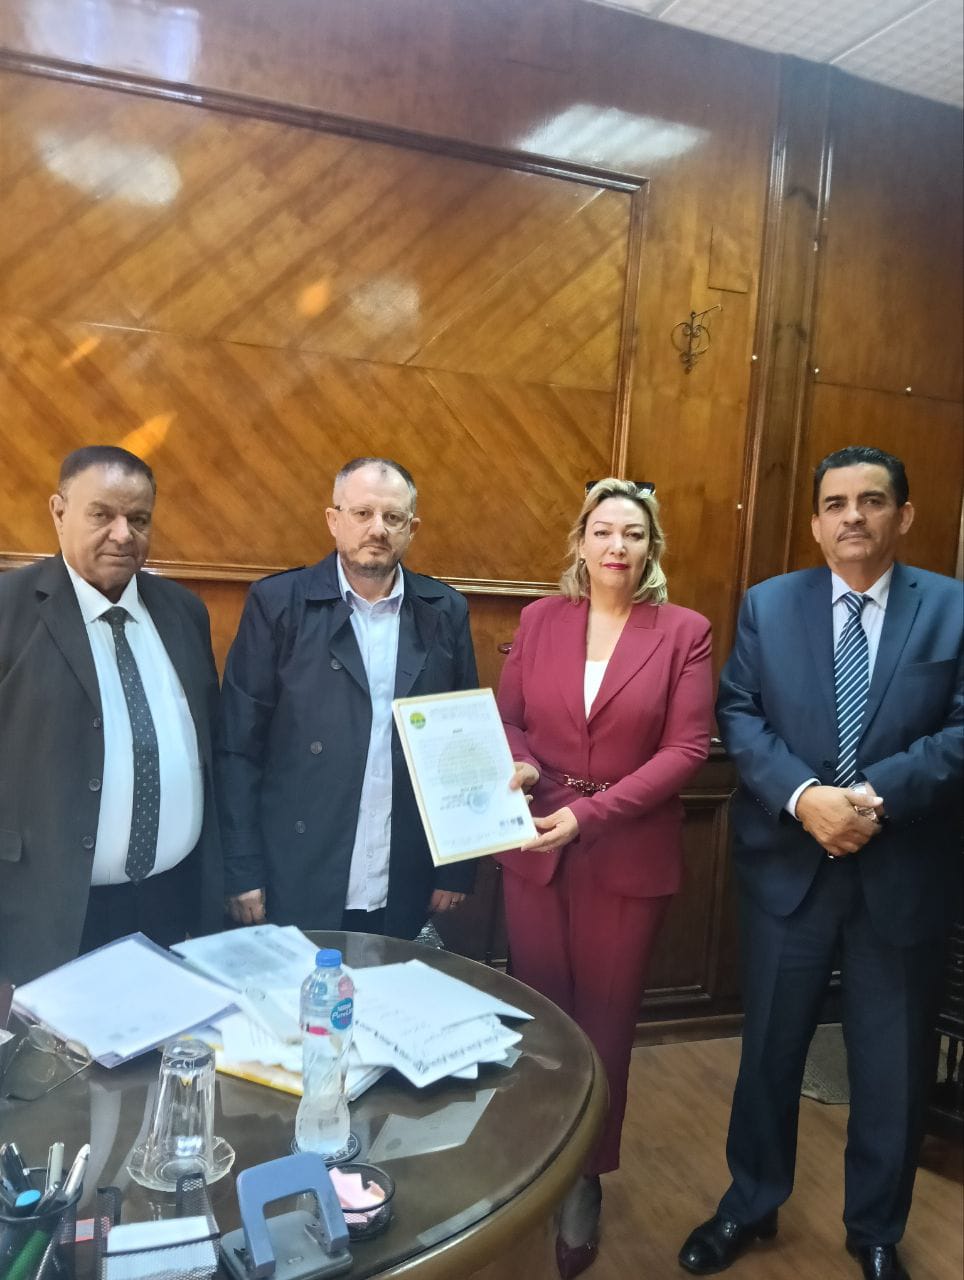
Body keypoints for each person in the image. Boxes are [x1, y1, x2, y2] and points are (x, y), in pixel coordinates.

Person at [679, 446, 963, 1280]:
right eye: (836, 503)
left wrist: (870, 797)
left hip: (900, 869)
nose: (853, 517)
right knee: (770, 1050)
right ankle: (750, 1203)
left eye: (872, 501)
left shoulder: (952, 607)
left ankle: (876, 1229)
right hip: (788, 868)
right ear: (814, 522)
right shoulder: (770, 604)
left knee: (892, 1065)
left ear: (904, 515)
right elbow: (739, 710)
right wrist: (806, 798)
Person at [497, 478, 714, 1279]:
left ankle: (585, 1178)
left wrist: (590, 815)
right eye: (603, 531)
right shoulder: (540, 620)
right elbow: (508, 716)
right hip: (535, 842)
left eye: (634, 533)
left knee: (605, 1026)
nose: (617, 545)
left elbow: (687, 749)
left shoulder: (684, 631)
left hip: (624, 850)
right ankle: (539, 1160)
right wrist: (522, 762)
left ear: (651, 548)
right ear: (581, 543)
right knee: (542, 1017)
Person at [219, 457, 478, 938]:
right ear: (333, 520)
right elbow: (238, 747)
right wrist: (240, 868)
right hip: (296, 865)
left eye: (393, 517)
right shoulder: (278, 604)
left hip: (402, 866)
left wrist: (455, 867)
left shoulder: (445, 610)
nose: (377, 529)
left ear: (411, 529)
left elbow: (461, 749)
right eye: (362, 513)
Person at [0, 446, 223, 985]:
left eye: (139, 519)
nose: (123, 535)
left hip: (170, 902)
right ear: (59, 512)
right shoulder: (8, 608)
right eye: (102, 514)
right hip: (50, 909)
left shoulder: (184, 611)